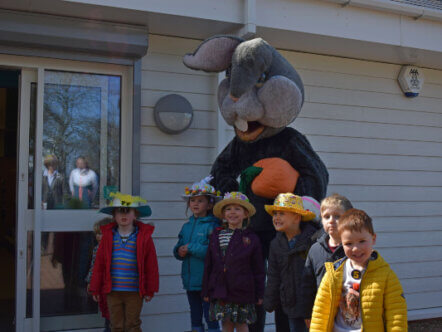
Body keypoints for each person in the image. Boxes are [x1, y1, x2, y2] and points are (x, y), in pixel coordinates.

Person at [310, 209, 408, 332]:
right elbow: (320, 313)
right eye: (349, 243)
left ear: (373, 239)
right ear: (341, 243)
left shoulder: (386, 275)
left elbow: (396, 315)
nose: (356, 248)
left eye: (362, 241)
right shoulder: (333, 274)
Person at [89, 192, 159, 332]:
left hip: (134, 291)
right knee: (116, 326)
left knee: (132, 325)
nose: (124, 215)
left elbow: (151, 266)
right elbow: (99, 265)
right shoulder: (108, 237)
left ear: (135, 214)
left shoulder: (143, 237)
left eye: (128, 211)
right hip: (113, 291)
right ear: (114, 215)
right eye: (120, 211)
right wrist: (95, 287)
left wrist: (150, 289)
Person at [202, 192, 265, 332]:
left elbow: (258, 269)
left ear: (246, 214)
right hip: (220, 289)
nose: (232, 213)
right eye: (228, 209)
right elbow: (209, 265)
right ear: (223, 215)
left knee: (242, 325)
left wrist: (260, 293)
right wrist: (206, 289)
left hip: (243, 290)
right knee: (226, 324)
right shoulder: (216, 235)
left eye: (237, 209)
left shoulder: (252, 238)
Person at [263, 193, 317, 332]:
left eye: (282, 213)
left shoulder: (313, 240)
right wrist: (269, 301)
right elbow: (273, 274)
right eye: (275, 214)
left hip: (313, 304)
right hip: (290, 303)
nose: (276, 218)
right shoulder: (276, 244)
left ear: (297, 217)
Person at [173, 176, 221, 332]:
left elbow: (214, 252)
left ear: (209, 204)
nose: (195, 203)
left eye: (200, 201)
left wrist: (191, 248)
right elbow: (180, 245)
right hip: (190, 281)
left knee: (210, 316)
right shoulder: (186, 226)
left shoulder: (213, 226)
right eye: (193, 200)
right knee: (195, 315)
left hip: (207, 282)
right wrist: (178, 251)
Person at [301, 194, 353, 328]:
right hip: (322, 315)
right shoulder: (315, 250)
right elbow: (308, 285)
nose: (331, 220)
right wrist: (307, 314)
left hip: (350, 317)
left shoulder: (356, 249)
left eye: (337, 216)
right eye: (326, 217)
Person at [86, 217, 113, 331]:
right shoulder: (97, 249)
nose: (98, 237)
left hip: (114, 288)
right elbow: (94, 268)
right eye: (97, 234)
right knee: (109, 317)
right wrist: (91, 283)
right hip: (103, 288)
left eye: (101, 234)